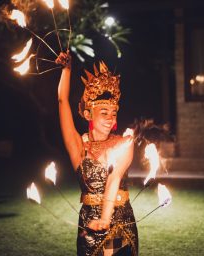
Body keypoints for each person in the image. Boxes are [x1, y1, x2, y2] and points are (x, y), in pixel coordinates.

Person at [56, 51, 138, 256]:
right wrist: (66, 70)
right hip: (90, 222)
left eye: (113, 112)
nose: (110, 118)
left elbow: (114, 177)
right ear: (87, 114)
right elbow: (62, 101)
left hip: (121, 221)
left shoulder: (124, 143)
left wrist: (105, 218)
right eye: (104, 113)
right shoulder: (78, 147)